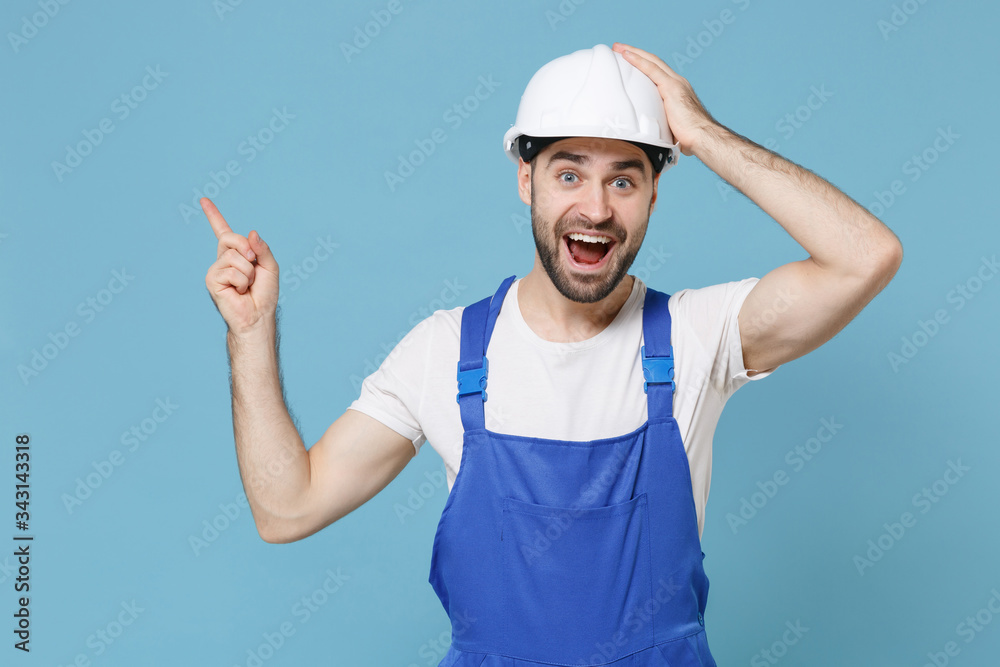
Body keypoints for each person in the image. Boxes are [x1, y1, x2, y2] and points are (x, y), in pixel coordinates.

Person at [202, 43, 902, 666]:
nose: (596, 208)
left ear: (655, 192)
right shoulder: (444, 353)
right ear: (525, 180)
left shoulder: (697, 337)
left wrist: (706, 136)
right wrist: (252, 333)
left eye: (624, 179)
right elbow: (285, 509)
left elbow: (865, 256)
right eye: (570, 173)